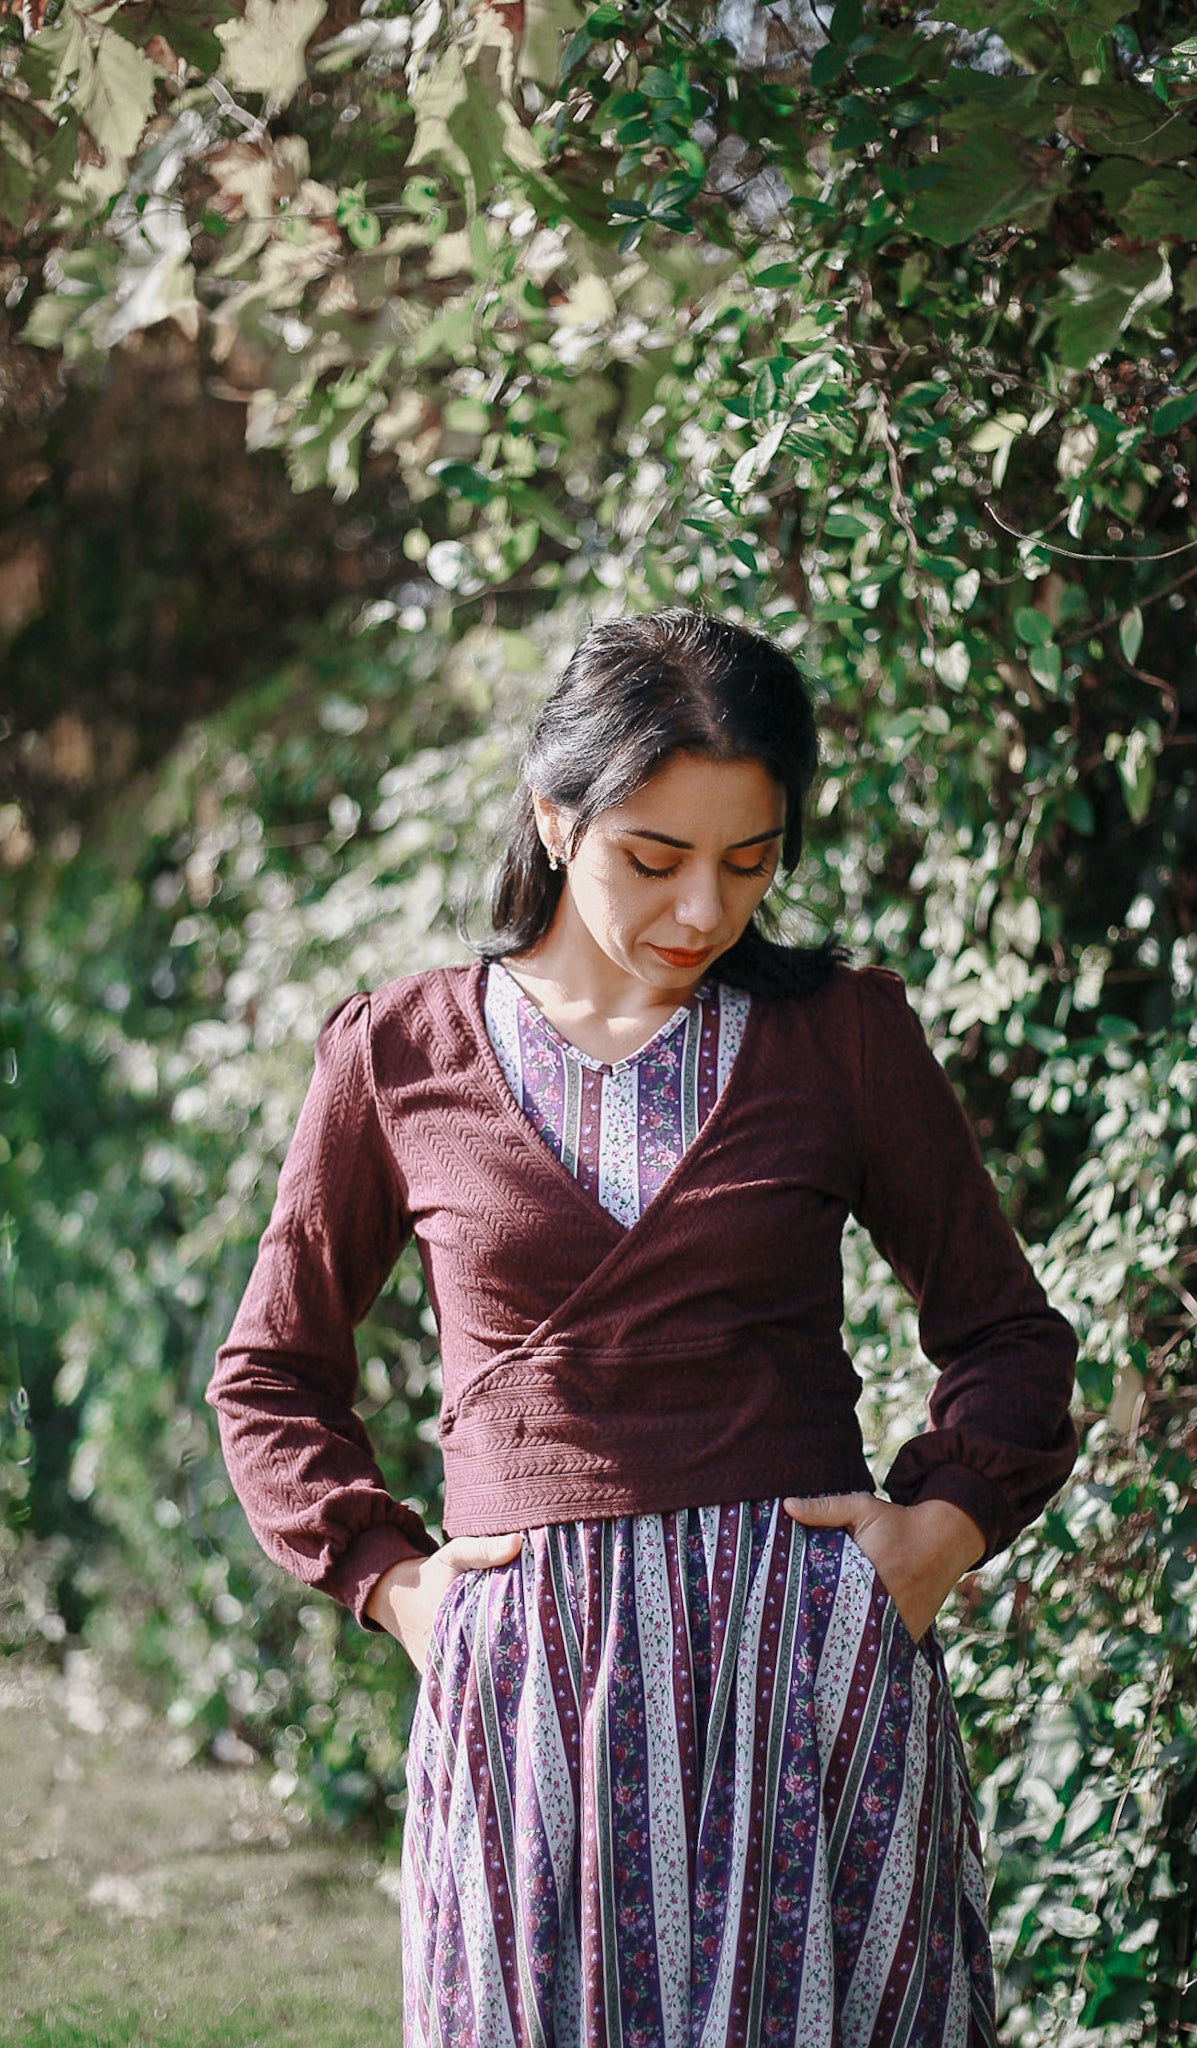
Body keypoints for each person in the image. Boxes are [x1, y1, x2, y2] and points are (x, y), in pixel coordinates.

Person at [208, 608, 1078, 2048]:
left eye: (750, 862)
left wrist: (938, 1534)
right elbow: (271, 1374)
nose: (702, 910)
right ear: (556, 820)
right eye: (654, 859)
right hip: (529, 1705)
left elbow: (1008, 1338)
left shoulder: (843, 1036)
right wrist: (395, 1583)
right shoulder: (399, 1052)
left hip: (807, 1683)